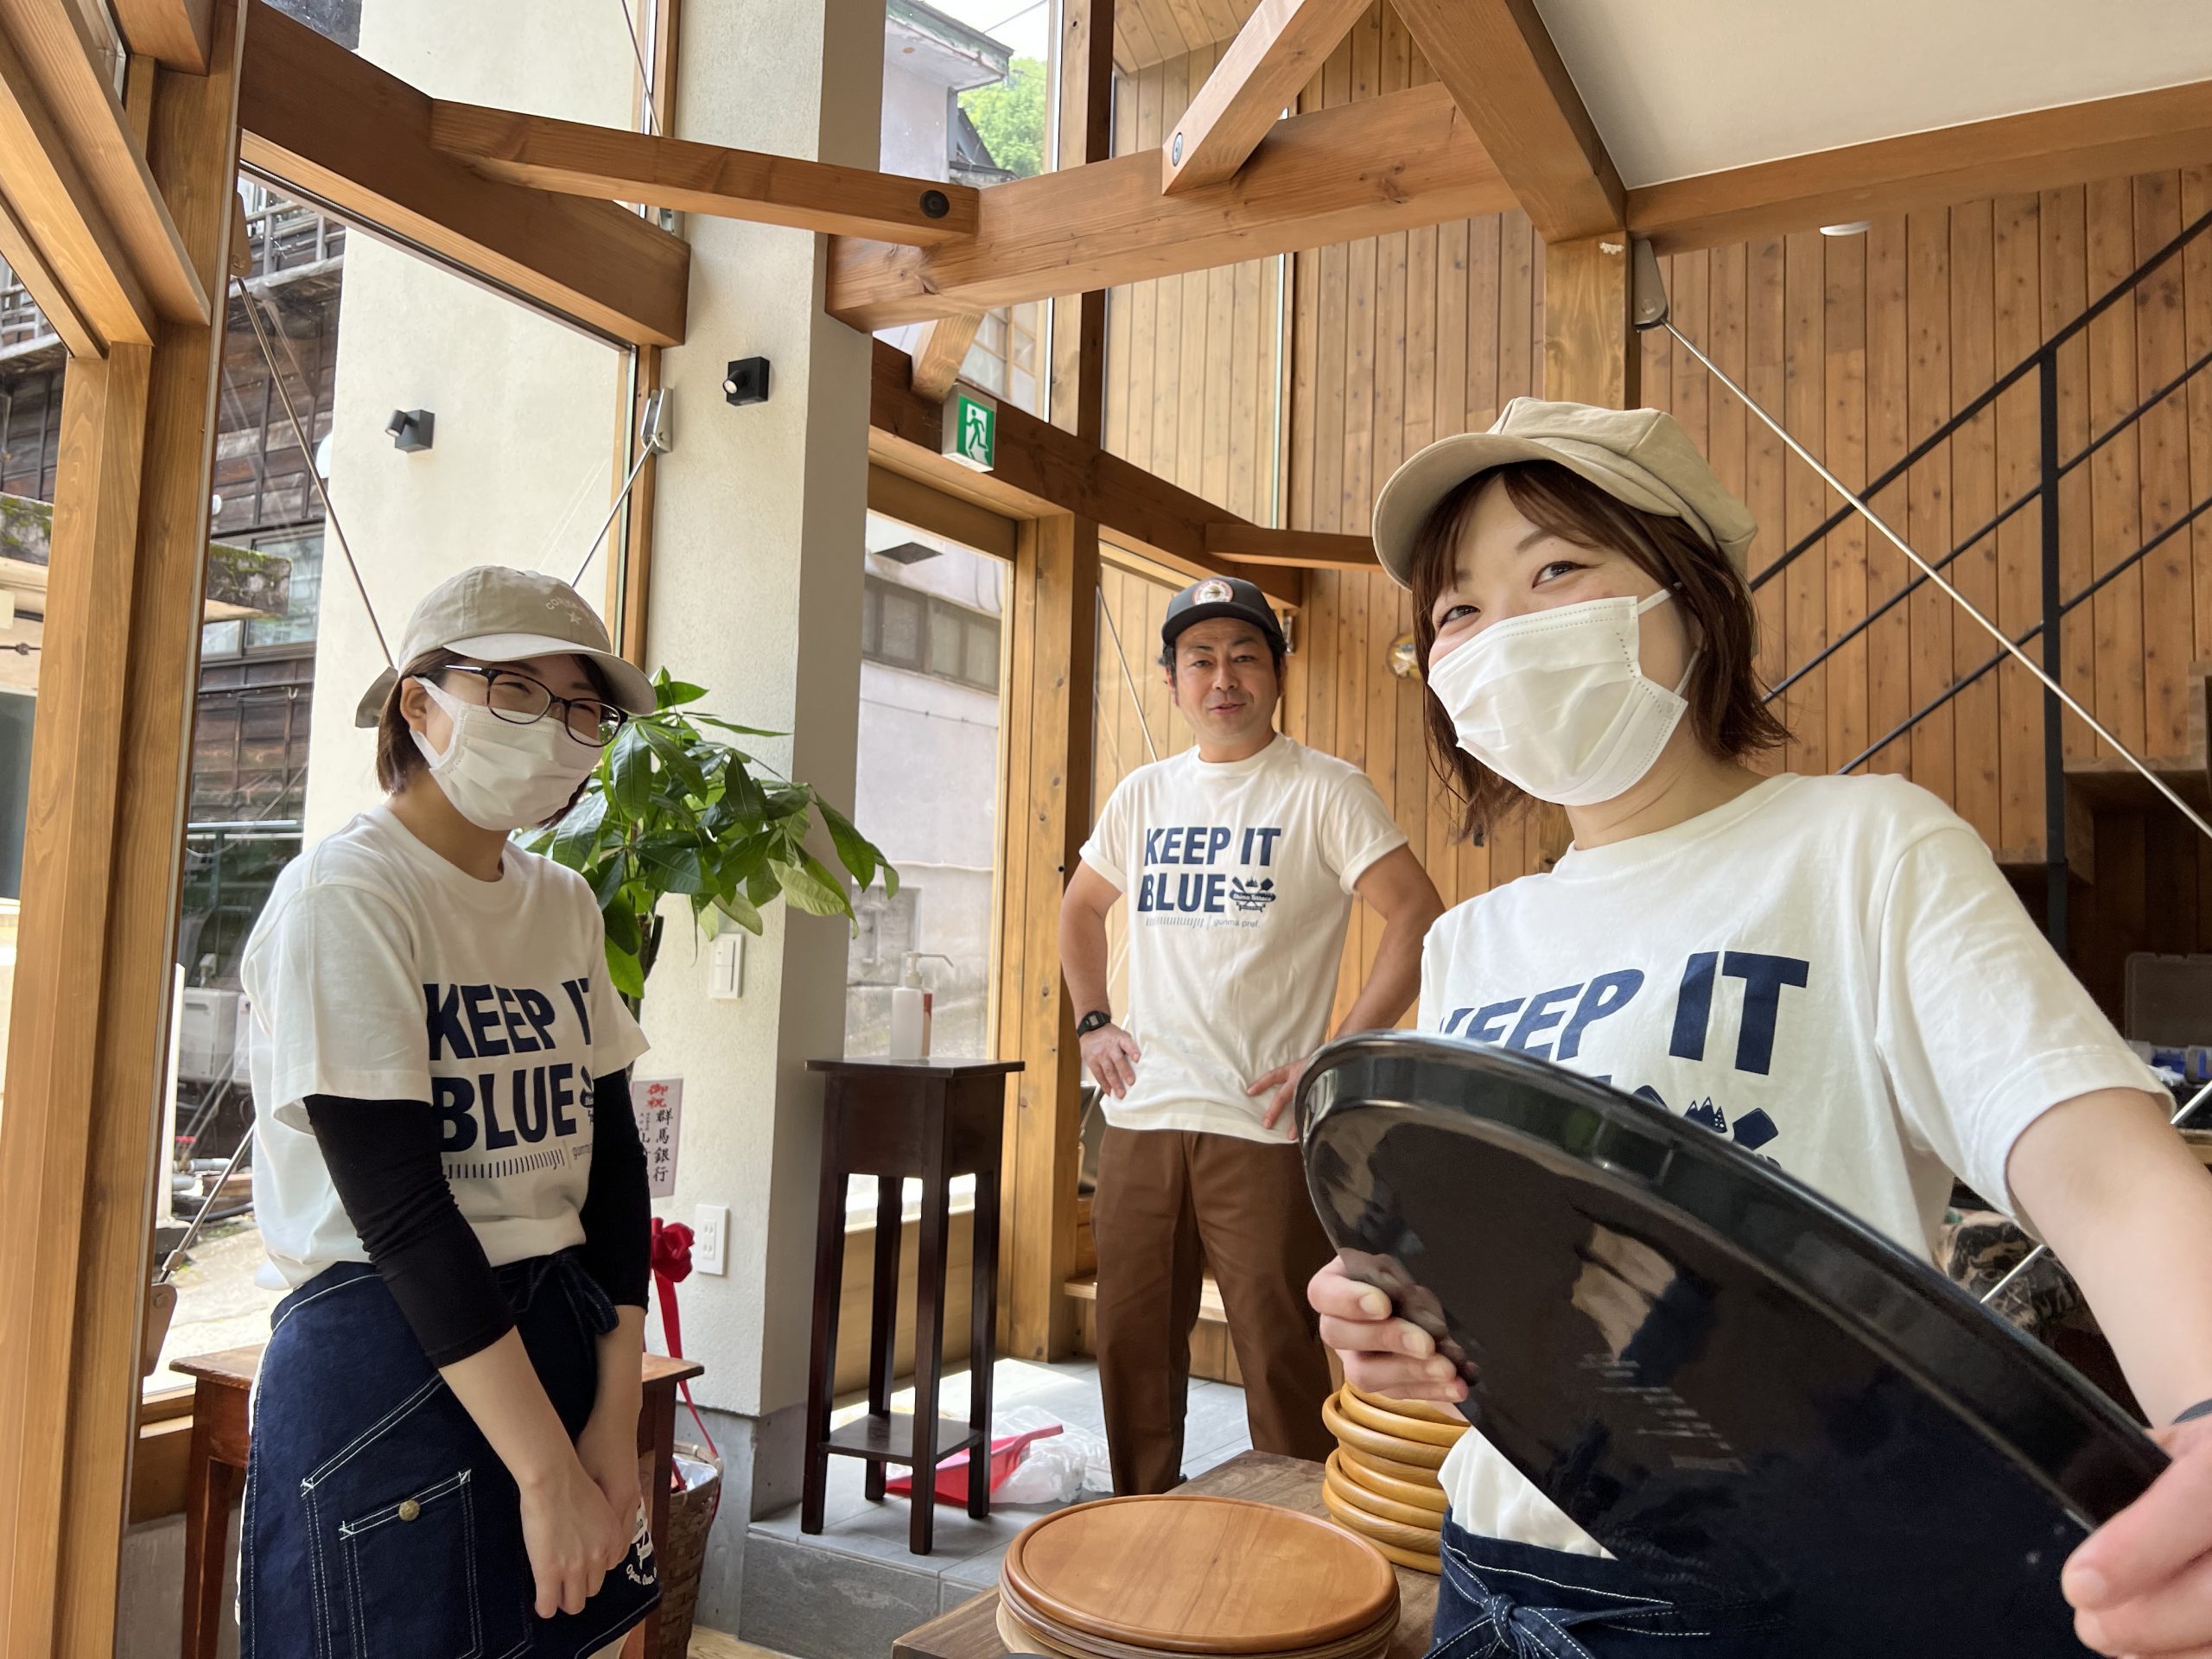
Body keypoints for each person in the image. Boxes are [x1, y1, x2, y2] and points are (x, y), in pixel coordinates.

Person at [1305, 399, 2212, 1658]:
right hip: (1491, 1576)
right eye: (1457, 610)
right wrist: (1392, 1317)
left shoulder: (1866, 848)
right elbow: (1499, 1260)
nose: (1499, 632)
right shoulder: (1473, 939)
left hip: (1781, 1585)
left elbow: (2106, 1179)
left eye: (1555, 570)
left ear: (1693, 600)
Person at [238, 566, 665, 1658]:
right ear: (418, 707)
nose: (559, 732)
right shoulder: (348, 893)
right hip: (392, 1345)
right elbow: (402, 1211)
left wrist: (613, 1420)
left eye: (584, 711)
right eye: (517, 692)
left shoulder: (562, 901)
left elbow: (613, 1167)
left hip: (558, 1341)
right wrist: (546, 1471)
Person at [1061, 575, 1445, 1495]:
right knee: (1130, 1344)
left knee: (1279, 1353)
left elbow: (1417, 916)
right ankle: (1140, 1519)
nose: (1222, 677)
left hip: (1263, 1124)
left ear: (1275, 673)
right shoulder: (1143, 795)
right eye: (1200, 660)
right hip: (1143, 1113)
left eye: (1244, 656)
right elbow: (1079, 909)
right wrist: (1092, 1022)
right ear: (1172, 681)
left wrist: (1335, 1055)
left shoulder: (1324, 790)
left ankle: (1300, 1538)